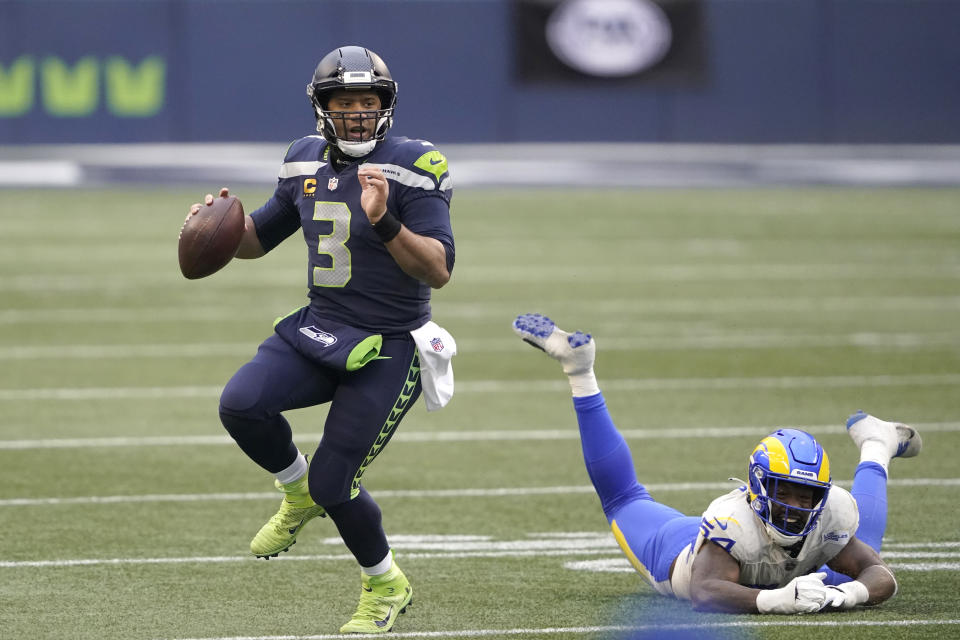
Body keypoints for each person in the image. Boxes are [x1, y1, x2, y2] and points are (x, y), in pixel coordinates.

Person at [185, 46, 456, 634]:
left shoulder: (415, 164)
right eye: (344, 102)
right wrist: (216, 227)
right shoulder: (301, 160)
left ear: (385, 107)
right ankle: (295, 489)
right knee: (241, 405)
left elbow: (437, 269)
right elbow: (259, 237)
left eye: (367, 101)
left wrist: (385, 220)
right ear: (322, 108)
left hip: (391, 343)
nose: (357, 114)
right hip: (322, 324)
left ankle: (385, 583)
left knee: (339, 482)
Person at [512, 312, 922, 614]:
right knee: (622, 498)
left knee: (845, 565)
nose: (797, 506)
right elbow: (705, 592)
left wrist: (847, 594)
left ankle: (875, 442)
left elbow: (879, 574)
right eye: (787, 492)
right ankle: (581, 373)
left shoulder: (829, 512)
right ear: (758, 488)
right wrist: (773, 600)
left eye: (808, 494)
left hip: (782, 565)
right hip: (681, 548)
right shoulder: (734, 523)